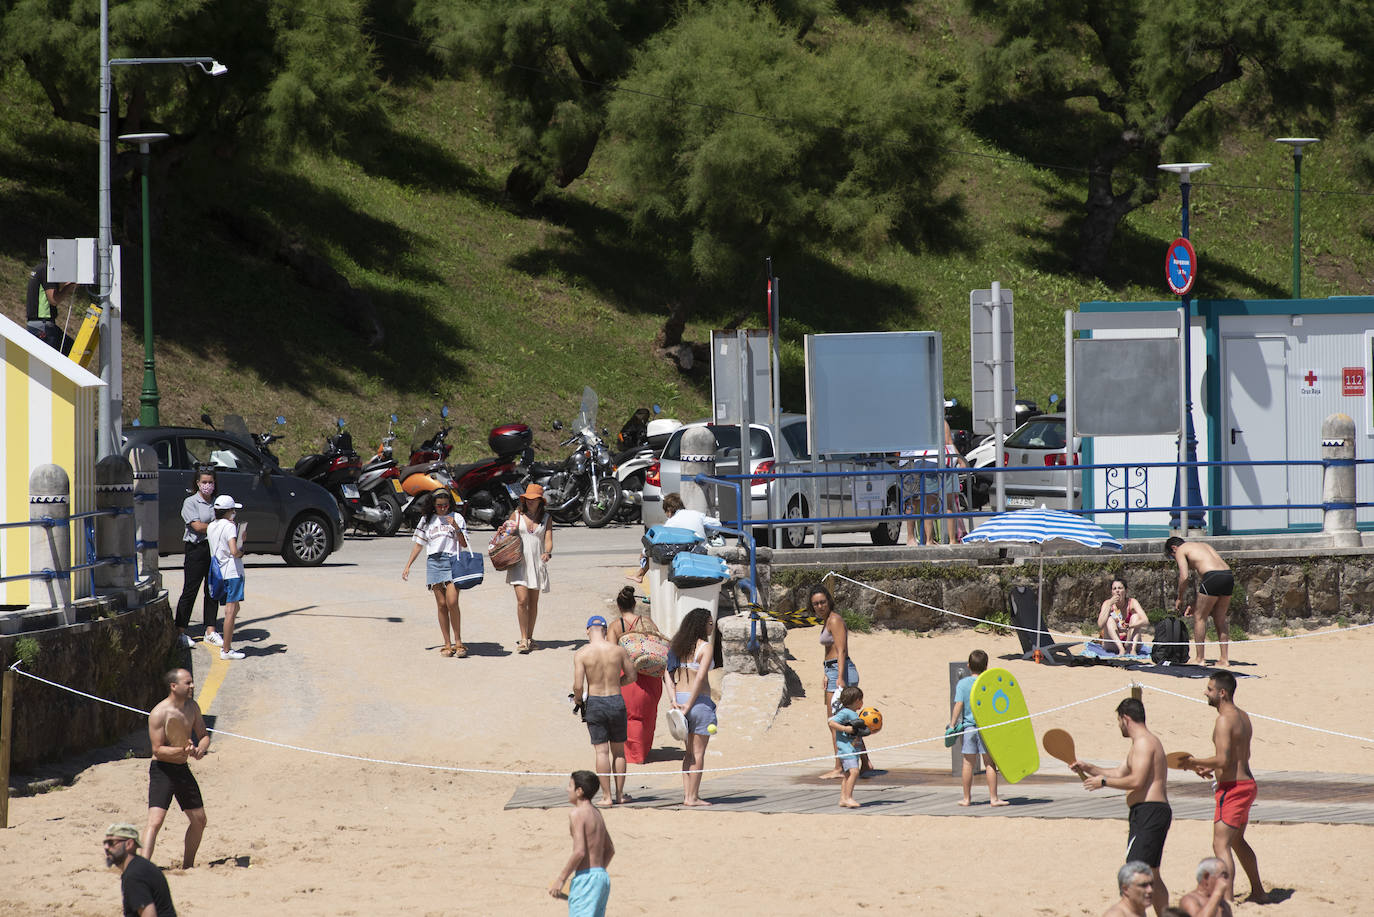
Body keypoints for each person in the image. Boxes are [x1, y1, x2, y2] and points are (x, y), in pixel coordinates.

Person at [1072, 698, 1171, 917]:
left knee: (1136, 872)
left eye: (1118, 720)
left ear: (1126, 719)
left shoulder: (1145, 742)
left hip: (1150, 811)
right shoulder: (1139, 744)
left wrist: (1103, 783)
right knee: (1151, 872)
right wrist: (1090, 768)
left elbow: (1137, 781)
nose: (1118, 725)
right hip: (1146, 813)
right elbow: (1119, 773)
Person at [1178, 672, 1268, 905]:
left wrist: (1193, 762)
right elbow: (1240, 756)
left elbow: (1223, 760)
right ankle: (1258, 891)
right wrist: (1208, 769)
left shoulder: (1223, 720)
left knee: (1221, 844)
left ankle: (1226, 900)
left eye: (1209, 689)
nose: (1205, 693)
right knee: (1237, 841)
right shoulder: (1244, 717)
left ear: (1222, 693)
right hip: (1247, 784)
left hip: (1233, 789)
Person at [143, 669, 209, 869]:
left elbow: (204, 735)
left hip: (182, 769)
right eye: (187, 683)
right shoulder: (159, 713)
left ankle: (188, 866)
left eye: (192, 682)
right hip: (162, 770)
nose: (192, 686)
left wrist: (199, 750)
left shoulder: (193, 707)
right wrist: (181, 750)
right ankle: (143, 868)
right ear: (174, 686)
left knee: (199, 820)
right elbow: (157, 750)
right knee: (155, 820)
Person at [571, 615, 636, 805]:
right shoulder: (618, 650)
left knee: (601, 752)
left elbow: (577, 686)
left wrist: (578, 700)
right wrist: (617, 683)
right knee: (619, 751)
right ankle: (620, 794)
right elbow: (632, 676)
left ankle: (606, 796)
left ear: (587, 631)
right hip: (616, 699)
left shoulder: (582, 653)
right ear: (606, 631)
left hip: (596, 701)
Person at [811, 585, 872, 777]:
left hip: (840, 670)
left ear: (829, 600)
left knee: (834, 722)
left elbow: (841, 650)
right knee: (849, 720)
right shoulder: (827, 620)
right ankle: (865, 761)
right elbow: (829, 650)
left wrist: (839, 677)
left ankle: (839, 767)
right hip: (833, 669)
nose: (820, 606)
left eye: (822, 602)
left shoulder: (835, 619)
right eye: (816, 604)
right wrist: (825, 672)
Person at [401, 490, 470, 657]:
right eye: (439, 505)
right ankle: (447, 644)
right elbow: (419, 544)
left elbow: (464, 544)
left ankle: (458, 641)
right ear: (433, 504)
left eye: (446, 505)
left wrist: (455, 527)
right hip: (434, 562)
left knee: (452, 601)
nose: (443, 509)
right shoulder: (427, 520)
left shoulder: (457, 517)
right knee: (441, 604)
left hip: (453, 561)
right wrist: (408, 565)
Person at [663, 607, 716, 806]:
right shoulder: (706, 647)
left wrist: (673, 699)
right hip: (698, 701)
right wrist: (690, 704)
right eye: (710, 623)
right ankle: (693, 797)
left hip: (681, 698)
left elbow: (667, 673)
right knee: (699, 753)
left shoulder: (679, 646)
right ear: (702, 625)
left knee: (688, 753)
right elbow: (700, 678)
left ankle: (687, 796)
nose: (712, 626)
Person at [607, 586, 664, 764]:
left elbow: (611, 654)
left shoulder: (616, 626)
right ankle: (644, 750)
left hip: (630, 677)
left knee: (630, 716)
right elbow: (658, 645)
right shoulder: (647, 621)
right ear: (634, 604)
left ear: (619, 606)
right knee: (648, 714)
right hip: (651, 675)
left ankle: (634, 755)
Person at [548, 770, 615, 917]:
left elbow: (579, 851)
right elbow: (610, 849)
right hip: (601, 877)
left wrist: (561, 879)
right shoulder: (596, 813)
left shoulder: (577, 813)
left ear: (579, 791)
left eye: (570, 786)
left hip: (586, 878)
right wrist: (597, 873)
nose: (567, 789)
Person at [948, 649, 1008, 807]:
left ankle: (966, 799)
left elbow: (959, 705)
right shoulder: (989, 683)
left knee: (967, 763)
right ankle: (994, 798)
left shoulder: (962, 683)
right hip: (986, 728)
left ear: (968, 666)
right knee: (989, 763)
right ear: (986, 667)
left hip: (969, 728)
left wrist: (952, 724)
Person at [1165, 536, 1234, 666]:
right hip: (1228, 575)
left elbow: (1184, 577)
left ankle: (1200, 658)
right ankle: (1224, 659)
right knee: (1220, 618)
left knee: (1199, 617)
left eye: (1172, 557)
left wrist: (1179, 597)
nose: (1175, 559)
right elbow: (1207, 589)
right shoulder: (1203, 545)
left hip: (1212, 576)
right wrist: (1195, 603)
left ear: (1174, 548)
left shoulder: (1181, 550)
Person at [173, 469, 219, 649]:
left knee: (212, 590)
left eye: (211, 482)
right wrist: (218, 526)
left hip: (213, 549)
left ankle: (210, 630)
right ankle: (180, 631)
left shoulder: (216, 502)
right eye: (204, 482)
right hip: (196, 549)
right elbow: (197, 526)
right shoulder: (190, 502)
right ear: (198, 483)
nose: (208, 485)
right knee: (190, 590)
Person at [505, 483, 553, 653]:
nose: (531, 502)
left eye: (535, 499)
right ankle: (523, 638)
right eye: (528, 499)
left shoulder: (546, 518)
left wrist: (547, 552)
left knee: (533, 603)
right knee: (522, 601)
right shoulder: (517, 515)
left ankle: (530, 637)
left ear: (541, 501)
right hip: (519, 562)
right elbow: (507, 533)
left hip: (537, 562)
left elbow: (548, 539)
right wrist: (504, 531)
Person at [627, 492, 714, 582]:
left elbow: (657, 542)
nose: (666, 515)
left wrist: (643, 552)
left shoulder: (671, 523)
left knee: (654, 551)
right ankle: (639, 574)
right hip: (703, 551)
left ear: (669, 510)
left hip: (685, 556)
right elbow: (716, 524)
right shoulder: (696, 514)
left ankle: (640, 574)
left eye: (665, 512)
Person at [103, 823, 177, 917]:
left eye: (111, 843)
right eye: (105, 843)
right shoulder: (141, 866)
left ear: (129, 844)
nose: (106, 847)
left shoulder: (134, 875)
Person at [206, 495, 246, 660]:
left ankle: (226, 647)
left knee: (234, 608)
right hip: (232, 572)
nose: (234, 513)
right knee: (231, 610)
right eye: (233, 510)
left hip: (219, 572)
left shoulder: (211, 526)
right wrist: (242, 544)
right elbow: (234, 551)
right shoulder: (230, 527)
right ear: (228, 511)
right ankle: (227, 650)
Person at [828, 685, 870, 808]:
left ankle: (842, 798)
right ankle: (848, 797)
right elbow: (831, 722)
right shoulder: (845, 712)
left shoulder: (853, 714)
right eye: (861, 700)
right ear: (857, 700)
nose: (862, 702)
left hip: (853, 749)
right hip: (846, 750)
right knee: (854, 772)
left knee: (847, 775)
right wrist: (845, 728)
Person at [1099, 577, 1149, 655]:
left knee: (1135, 616)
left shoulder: (1132, 602)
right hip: (1113, 644)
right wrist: (1109, 606)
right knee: (1109, 620)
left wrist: (1130, 626)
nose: (1117, 591)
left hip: (1129, 641)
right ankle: (1121, 649)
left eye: (1120, 588)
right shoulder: (1107, 603)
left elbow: (1146, 621)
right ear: (1112, 592)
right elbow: (1100, 624)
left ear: (1126, 590)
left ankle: (1133, 649)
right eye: (1114, 589)